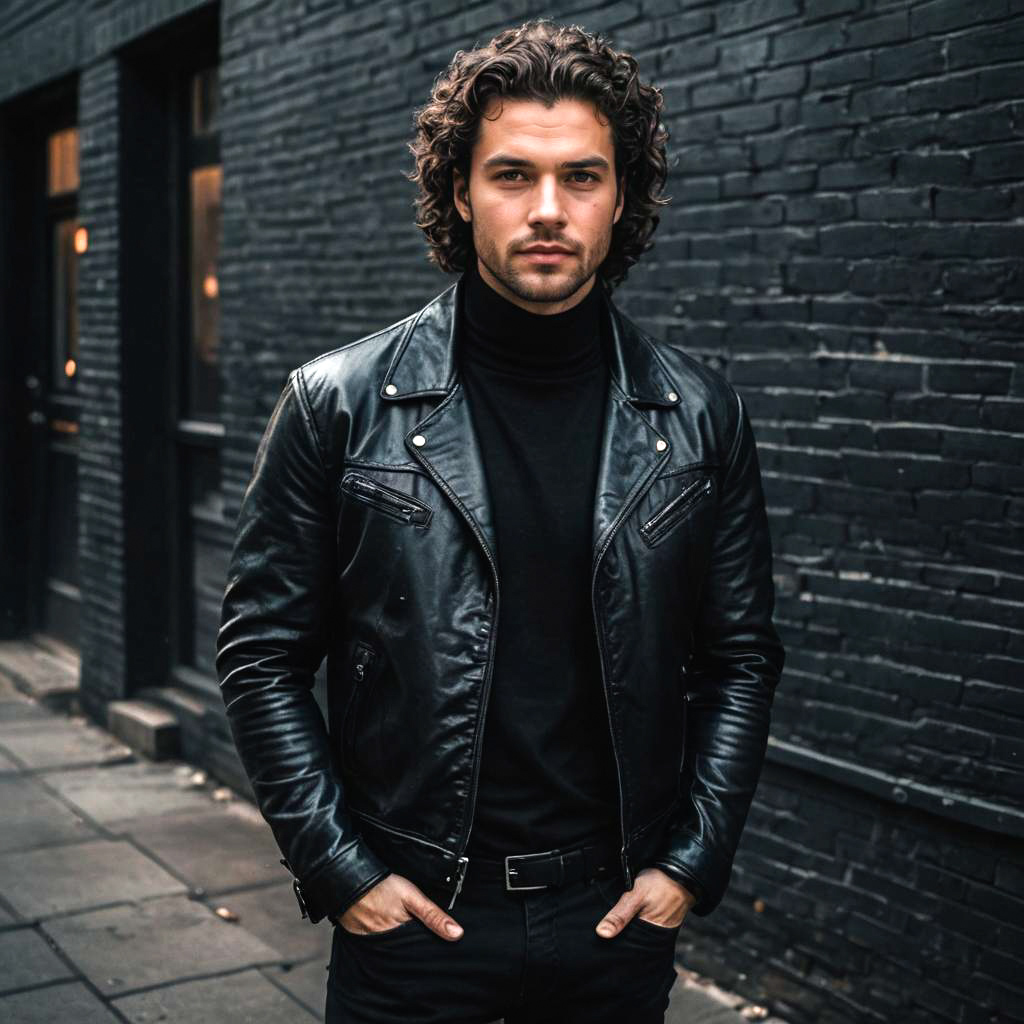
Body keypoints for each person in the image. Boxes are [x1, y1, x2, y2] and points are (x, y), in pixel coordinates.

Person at [215, 18, 785, 1024]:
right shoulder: (337, 404)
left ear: (623, 197)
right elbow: (261, 656)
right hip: (415, 918)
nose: (549, 210)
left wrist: (690, 863)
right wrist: (341, 870)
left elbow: (738, 657)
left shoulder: (699, 417)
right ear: (460, 192)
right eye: (513, 175)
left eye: (583, 177)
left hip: (614, 918)